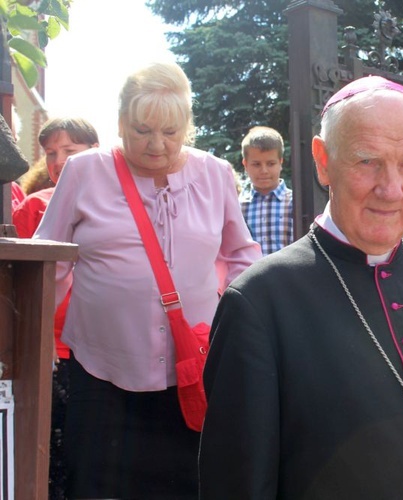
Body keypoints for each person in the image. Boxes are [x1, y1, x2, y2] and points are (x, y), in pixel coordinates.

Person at [199, 76, 403, 499]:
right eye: (367, 160)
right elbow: (238, 484)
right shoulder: (259, 302)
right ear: (322, 160)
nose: (391, 189)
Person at [35, 61, 262, 499]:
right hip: (100, 372)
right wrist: (39, 338)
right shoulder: (84, 172)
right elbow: (52, 262)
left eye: (171, 132)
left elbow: (241, 257)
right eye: (142, 130)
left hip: (191, 375)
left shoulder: (215, 174)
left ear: (187, 127)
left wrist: (242, 332)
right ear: (120, 122)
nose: (157, 145)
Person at [14, 117, 99, 500]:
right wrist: (43, 337)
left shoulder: (117, 202)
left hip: (104, 346)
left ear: (95, 153)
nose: (59, 160)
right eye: (51, 153)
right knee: (55, 451)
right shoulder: (35, 206)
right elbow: (24, 284)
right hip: (57, 348)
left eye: (70, 151)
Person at [238, 125, 293, 255]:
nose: (264, 171)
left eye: (271, 164)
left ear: (280, 163)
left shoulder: (295, 203)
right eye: (256, 164)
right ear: (245, 165)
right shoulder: (238, 207)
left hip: (290, 274)